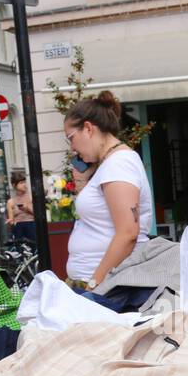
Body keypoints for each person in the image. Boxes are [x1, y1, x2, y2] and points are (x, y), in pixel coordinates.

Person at [62, 91, 155, 301]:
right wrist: (83, 181)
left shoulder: (118, 165)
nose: (72, 148)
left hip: (105, 288)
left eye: (71, 138)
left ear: (88, 128)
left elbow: (128, 233)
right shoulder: (110, 165)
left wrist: (94, 285)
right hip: (101, 284)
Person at [7, 171, 36, 243]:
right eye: (21, 183)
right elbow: (11, 220)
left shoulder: (31, 197)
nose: (24, 184)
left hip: (31, 225)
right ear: (14, 185)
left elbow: (39, 214)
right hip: (18, 228)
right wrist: (10, 221)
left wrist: (28, 208)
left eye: (24, 182)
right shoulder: (10, 202)